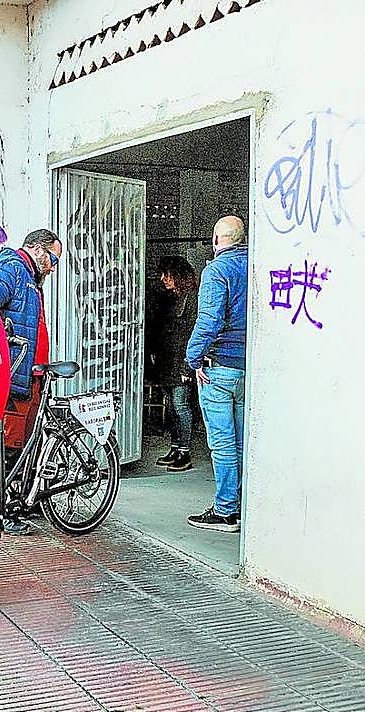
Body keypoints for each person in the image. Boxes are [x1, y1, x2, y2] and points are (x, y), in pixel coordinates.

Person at [0, 228, 62, 535]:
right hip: (15, 376)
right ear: (39, 250)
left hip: (30, 374)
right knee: (9, 445)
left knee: (21, 442)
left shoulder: (28, 275)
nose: (53, 267)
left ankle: (16, 500)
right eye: (53, 258)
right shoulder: (13, 267)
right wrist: (6, 337)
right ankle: (1, 511)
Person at [184, 216, 248, 532]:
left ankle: (225, 512)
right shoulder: (258, 263)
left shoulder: (217, 270)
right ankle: (242, 506)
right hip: (249, 369)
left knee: (222, 444)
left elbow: (208, 321)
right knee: (241, 442)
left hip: (219, 368)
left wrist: (193, 360)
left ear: (216, 239)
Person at [151, 256, 199, 472]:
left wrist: (187, 366)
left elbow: (191, 334)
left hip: (181, 361)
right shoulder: (169, 299)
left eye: (167, 275)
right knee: (171, 407)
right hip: (166, 360)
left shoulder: (192, 300)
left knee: (181, 407)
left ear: (178, 276)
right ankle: (175, 448)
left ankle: (184, 452)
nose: (163, 279)